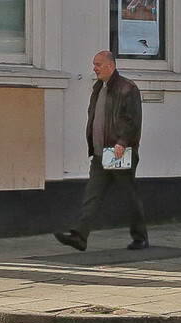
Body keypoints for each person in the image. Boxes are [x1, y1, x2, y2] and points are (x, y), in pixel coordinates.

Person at [56, 51, 147, 252]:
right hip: (100, 153)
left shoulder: (127, 88)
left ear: (110, 66)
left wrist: (122, 142)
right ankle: (80, 236)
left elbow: (132, 119)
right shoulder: (98, 88)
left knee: (129, 195)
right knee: (92, 194)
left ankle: (140, 236)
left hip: (117, 153)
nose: (94, 68)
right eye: (94, 64)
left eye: (98, 64)